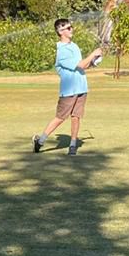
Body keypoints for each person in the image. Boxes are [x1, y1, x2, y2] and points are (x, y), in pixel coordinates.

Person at [32, 18, 103, 156]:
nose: (72, 30)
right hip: (69, 90)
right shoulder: (62, 50)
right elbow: (81, 65)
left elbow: (83, 66)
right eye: (68, 28)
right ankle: (40, 141)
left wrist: (94, 62)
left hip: (81, 87)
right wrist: (93, 54)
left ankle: (72, 146)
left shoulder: (75, 46)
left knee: (76, 117)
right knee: (60, 117)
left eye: (71, 27)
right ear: (60, 31)